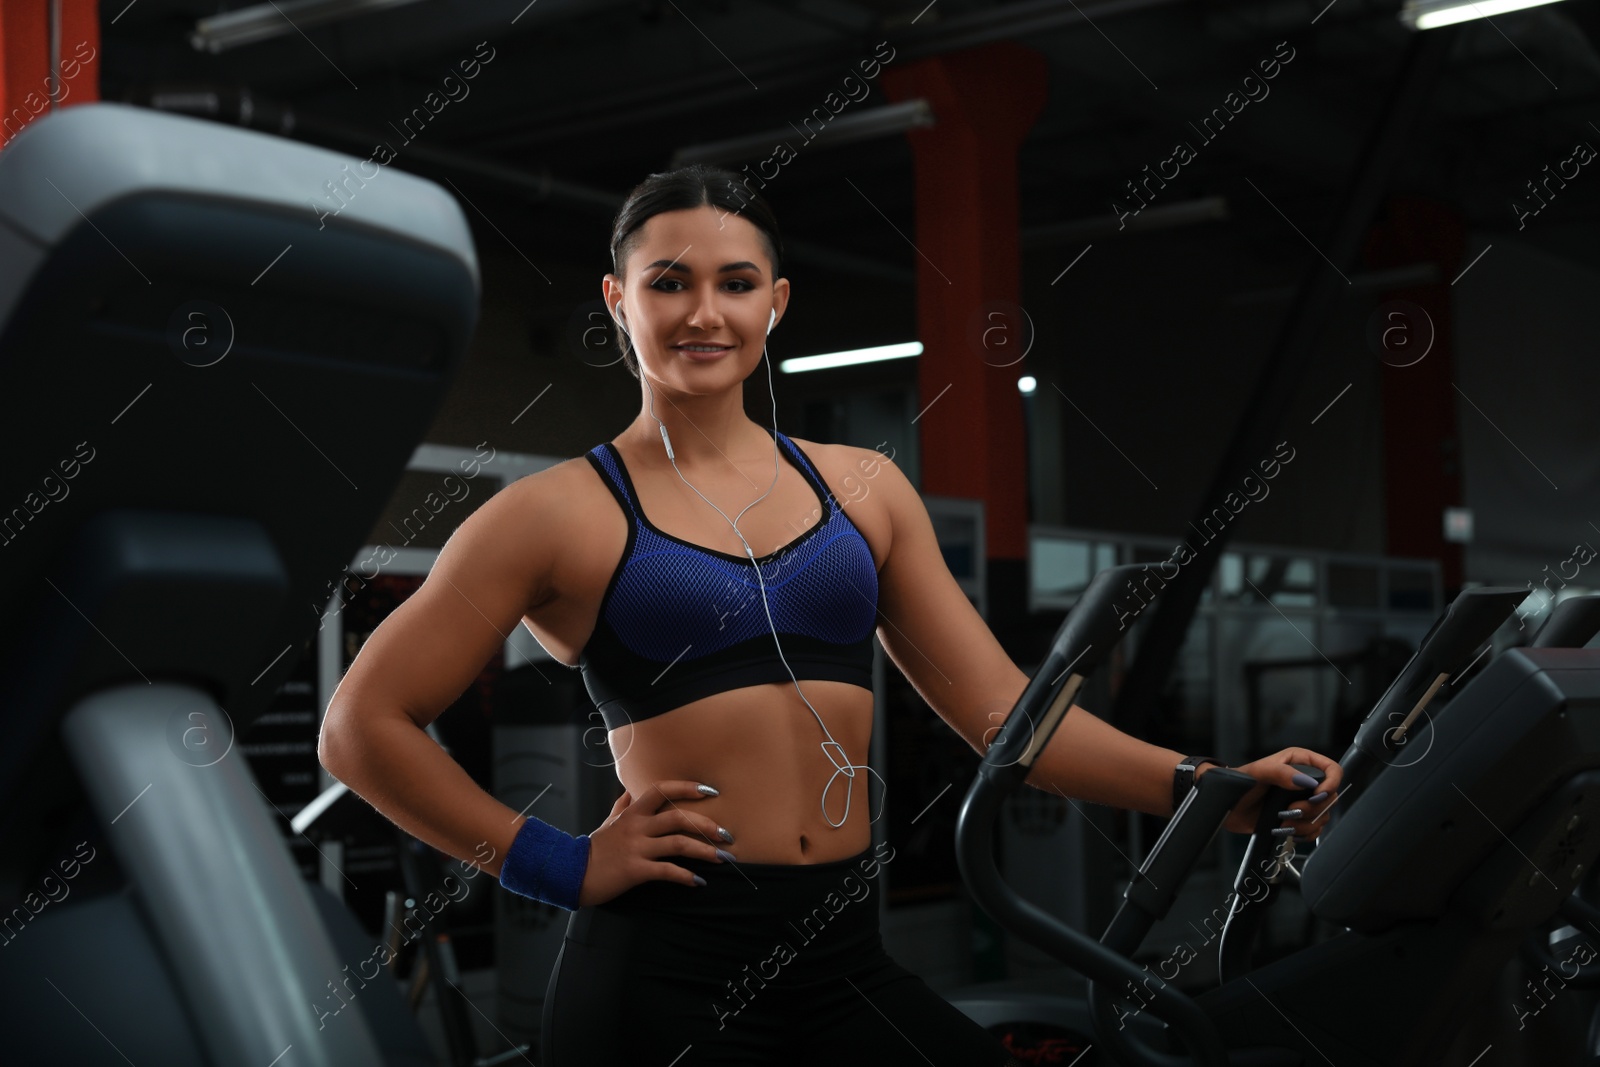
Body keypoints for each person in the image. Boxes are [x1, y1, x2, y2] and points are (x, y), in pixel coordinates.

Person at [317, 163, 1344, 1066]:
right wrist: (556, 857)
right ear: (616, 300)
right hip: (664, 966)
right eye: (666, 281)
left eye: (735, 282)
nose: (701, 313)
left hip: (840, 953)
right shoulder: (551, 515)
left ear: (777, 302)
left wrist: (1210, 789)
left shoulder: (864, 489)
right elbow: (361, 727)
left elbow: (1002, 716)